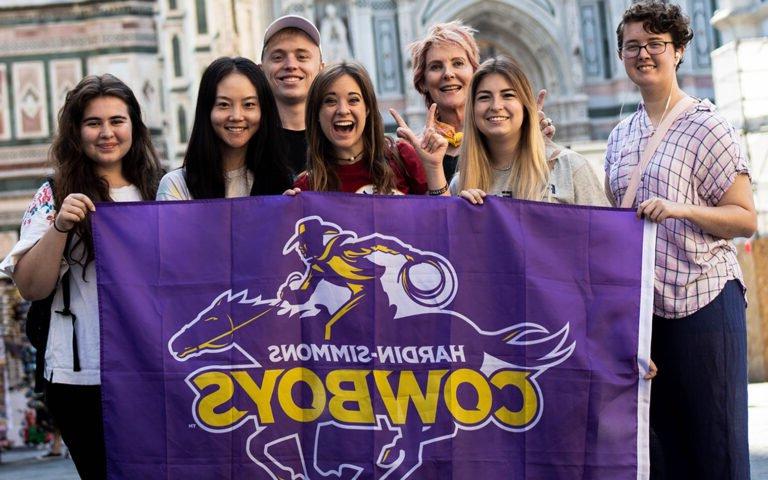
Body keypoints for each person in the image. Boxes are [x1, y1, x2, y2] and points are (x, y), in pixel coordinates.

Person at [605, 2, 756, 478]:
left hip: (705, 300)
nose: (643, 54)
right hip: (645, 312)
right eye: (633, 46)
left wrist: (680, 210)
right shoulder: (619, 135)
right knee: (659, 447)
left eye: (655, 44)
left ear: (679, 50)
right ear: (621, 55)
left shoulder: (707, 124)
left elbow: (745, 217)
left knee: (716, 441)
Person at [0, 74, 162, 478]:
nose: (107, 133)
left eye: (117, 121)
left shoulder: (162, 190)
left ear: (134, 126)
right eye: (93, 123)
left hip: (154, 365)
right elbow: (30, 286)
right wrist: (60, 228)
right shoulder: (53, 193)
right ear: (76, 132)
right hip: (81, 373)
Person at [408, 21, 556, 182]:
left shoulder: (506, 137)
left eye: (458, 63)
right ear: (422, 82)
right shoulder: (413, 152)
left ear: (475, 73)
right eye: (436, 67)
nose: (448, 74)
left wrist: (531, 141)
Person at [452, 56, 608, 207]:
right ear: (472, 110)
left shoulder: (569, 167)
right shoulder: (461, 184)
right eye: (484, 97)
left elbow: (606, 231)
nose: (496, 106)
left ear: (525, 106)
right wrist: (463, 215)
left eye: (508, 95)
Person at [285, 62, 448, 195]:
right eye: (330, 101)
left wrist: (434, 168)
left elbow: (444, 222)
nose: (342, 110)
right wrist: (287, 217)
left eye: (353, 100)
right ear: (317, 114)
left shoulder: (403, 157)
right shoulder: (306, 187)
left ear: (367, 109)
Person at [156, 57, 291, 200]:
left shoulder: (281, 182)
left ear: (264, 110)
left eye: (249, 104)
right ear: (207, 110)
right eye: (224, 105)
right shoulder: (177, 185)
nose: (237, 116)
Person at [261, 15, 325, 176]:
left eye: (302, 57)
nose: (290, 65)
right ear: (261, 70)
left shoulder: (341, 138)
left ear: (321, 69)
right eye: (278, 57)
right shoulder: (247, 142)